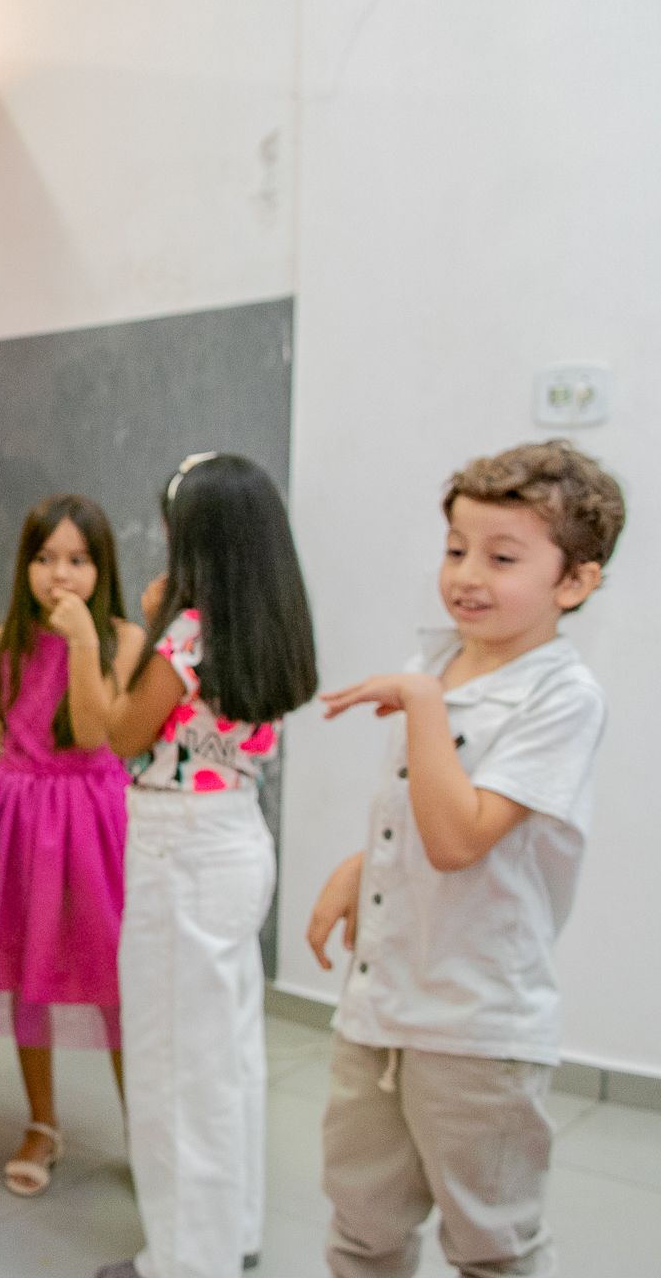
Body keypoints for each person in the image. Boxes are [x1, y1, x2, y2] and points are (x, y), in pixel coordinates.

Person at [307, 440, 624, 1278]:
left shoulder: (562, 696)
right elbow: (416, 817)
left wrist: (422, 705)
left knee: (492, 1245)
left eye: (502, 558)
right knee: (362, 1228)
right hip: (380, 1009)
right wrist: (360, 868)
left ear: (574, 582)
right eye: (456, 550)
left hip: (478, 1029)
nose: (466, 576)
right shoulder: (438, 662)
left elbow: (458, 839)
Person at [74, 453, 319, 1278]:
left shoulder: (185, 634)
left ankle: (185, 1262)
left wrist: (135, 634)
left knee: (176, 1067)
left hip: (179, 848)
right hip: (238, 835)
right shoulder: (270, 621)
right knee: (229, 1057)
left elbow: (121, 732)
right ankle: (230, 1234)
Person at [0, 494, 141, 1197]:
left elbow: (96, 731)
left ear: (102, 567)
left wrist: (85, 641)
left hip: (94, 819)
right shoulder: (4, 641)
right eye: (44, 558)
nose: (59, 574)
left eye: (77, 559)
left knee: (113, 973)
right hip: (22, 819)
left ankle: (143, 1128)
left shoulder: (123, 639)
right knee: (26, 967)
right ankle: (42, 1121)